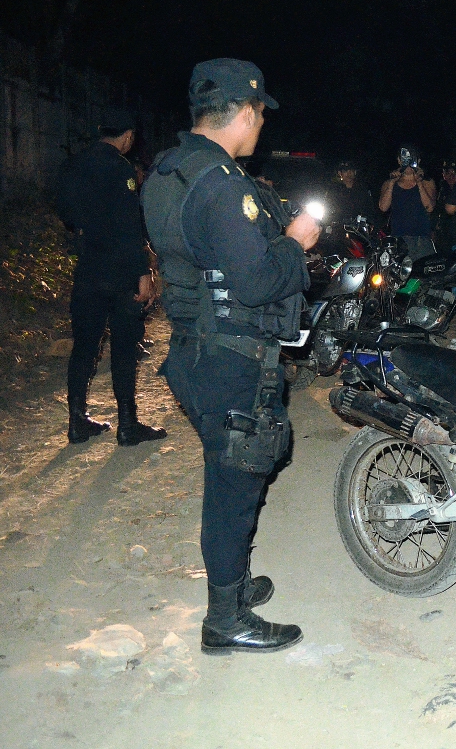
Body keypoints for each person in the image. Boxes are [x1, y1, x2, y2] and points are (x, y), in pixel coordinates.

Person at [142, 58, 320, 655]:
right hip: (228, 357)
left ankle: (236, 586)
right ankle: (225, 618)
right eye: (261, 112)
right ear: (244, 113)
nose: (263, 121)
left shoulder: (170, 169)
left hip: (196, 347)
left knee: (237, 468)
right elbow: (257, 282)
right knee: (233, 483)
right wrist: (296, 244)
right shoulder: (220, 185)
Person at [55, 107, 167, 446]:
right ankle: (127, 424)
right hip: (119, 272)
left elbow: (65, 212)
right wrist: (143, 272)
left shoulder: (74, 164)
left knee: (84, 346)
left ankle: (76, 422)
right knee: (123, 347)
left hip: (88, 267)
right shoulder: (120, 169)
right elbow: (129, 224)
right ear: (128, 137)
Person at [379, 151, 437, 259]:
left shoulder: (427, 182)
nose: (408, 164)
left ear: (418, 161)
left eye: (412, 160)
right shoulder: (389, 183)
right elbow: (383, 207)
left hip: (422, 241)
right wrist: (392, 183)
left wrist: (419, 182)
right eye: (405, 159)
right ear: (399, 161)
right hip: (399, 241)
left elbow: (430, 207)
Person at [329, 159, 378, 230]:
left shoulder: (362, 189)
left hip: (359, 227)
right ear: (340, 173)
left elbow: (370, 209)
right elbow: (329, 208)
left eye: (351, 170)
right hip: (340, 227)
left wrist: (370, 222)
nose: (349, 173)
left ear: (355, 172)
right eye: (345, 171)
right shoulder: (334, 190)